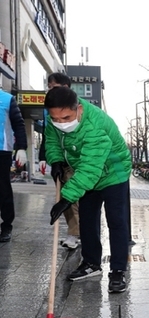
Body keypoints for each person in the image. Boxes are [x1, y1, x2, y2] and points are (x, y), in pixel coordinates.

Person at [44, 86, 132, 293]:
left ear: (79, 109)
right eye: (56, 119)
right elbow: (52, 139)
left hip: (113, 171)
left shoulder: (95, 125)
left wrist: (66, 197)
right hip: (86, 170)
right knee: (87, 217)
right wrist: (56, 160)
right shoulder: (54, 118)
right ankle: (91, 263)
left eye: (66, 118)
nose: (61, 123)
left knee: (116, 221)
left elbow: (90, 168)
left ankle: (118, 270)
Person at [39, 72, 81, 249]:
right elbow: (49, 136)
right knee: (65, 197)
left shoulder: (77, 108)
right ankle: (74, 232)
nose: (51, 91)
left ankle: (78, 233)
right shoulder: (49, 109)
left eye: (53, 87)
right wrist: (48, 159)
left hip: (78, 162)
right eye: (49, 87)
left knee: (73, 198)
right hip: (61, 160)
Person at [0, 89, 27, 242]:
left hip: (2, 150)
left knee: (3, 189)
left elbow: (18, 124)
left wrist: (21, 147)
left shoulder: (7, 99)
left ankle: (6, 225)